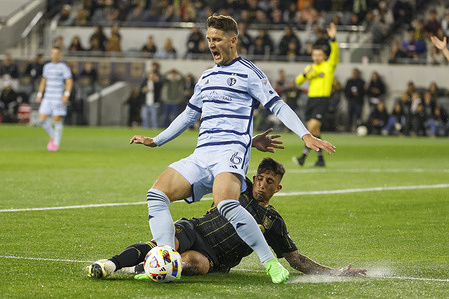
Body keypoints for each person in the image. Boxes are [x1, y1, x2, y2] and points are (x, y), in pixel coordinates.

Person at [129, 15, 335, 284]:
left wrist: (305, 134)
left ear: (232, 41)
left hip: (230, 153)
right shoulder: (206, 77)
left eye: (216, 39)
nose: (211, 44)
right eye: (209, 39)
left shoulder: (250, 73)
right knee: (156, 194)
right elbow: (188, 115)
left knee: (227, 203)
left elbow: (278, 105)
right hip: (202, 153)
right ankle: (166, 262)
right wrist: (157, 140)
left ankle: (270, 263)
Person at [87, 157, 366, 279]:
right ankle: (110, 264)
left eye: (270, 182)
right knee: (164, 243)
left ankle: (136, 270)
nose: (262, 184)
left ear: (277, 188)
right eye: (260, 178)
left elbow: (296, 259)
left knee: (192, 264)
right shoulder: (237, 184)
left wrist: (335, 272)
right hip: (194, 229)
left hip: (214, 258)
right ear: (254, 178)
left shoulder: (273, 221)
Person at [293, 22, 338, 167]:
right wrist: (306, 74)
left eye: (319, 55)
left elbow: (335, 54)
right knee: (315, 131)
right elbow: (298, 81)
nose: (316, 57)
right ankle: (320, 160)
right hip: (311, 100)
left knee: (310, 129)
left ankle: (303, 157)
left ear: (324, 56)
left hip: (323, 100)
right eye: (314, 54)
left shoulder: (328, 66)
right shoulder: (310, 68)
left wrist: (333, 39)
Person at [35, 46, 73, 151]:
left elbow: (69, 81)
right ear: (50, 54)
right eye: (53, 53)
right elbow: (44, 81)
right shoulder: (47, 66)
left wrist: (66, 94)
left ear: (60, 55)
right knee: (41, 119)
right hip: (47, 97)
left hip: (58, 97)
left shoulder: (63, 67)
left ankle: (56, 144)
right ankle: (53, 136)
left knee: (57, 119)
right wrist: (39, 94)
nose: (55, 55)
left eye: (57, 53)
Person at [344, 68, 365, 133]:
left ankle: (358, 128)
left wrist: (358, 94)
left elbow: (364, 92)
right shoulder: (349, 81)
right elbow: (345, 90)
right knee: (350, 114)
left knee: (358, 115)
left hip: (358, 101)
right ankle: (349, 128)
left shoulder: (361, 82)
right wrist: (349, 95)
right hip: (351, 100)